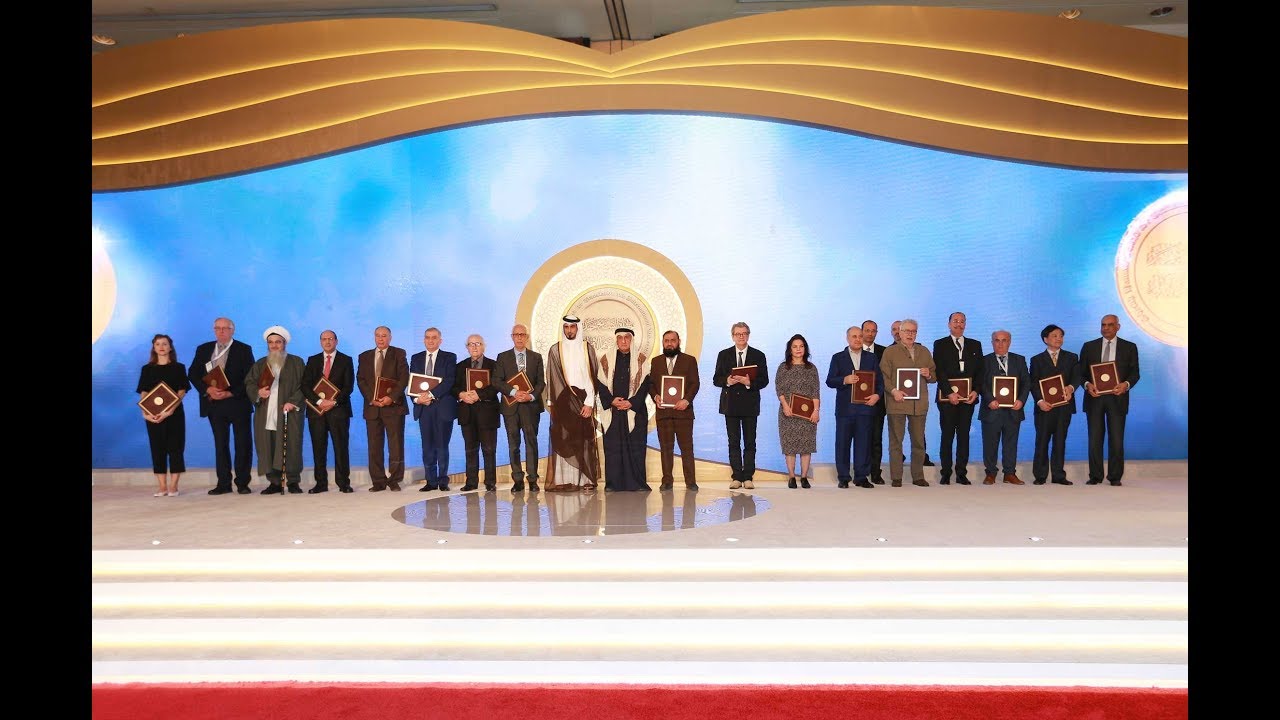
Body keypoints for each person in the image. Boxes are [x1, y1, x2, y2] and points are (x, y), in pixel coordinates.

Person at [188, 317, 256, 495]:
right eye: (218, 328)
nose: (221, 331)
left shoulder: (243, 349)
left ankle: (242, 483)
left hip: (238, 403)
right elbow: (193, 373)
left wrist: (230, 393)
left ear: (233, 330)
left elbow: (250, 377)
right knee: (220, 444)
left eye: (225, 328)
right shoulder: (203, 349)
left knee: (243, 444)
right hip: (214, 404)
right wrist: (207, 389)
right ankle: (223, 484)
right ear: (214, 330)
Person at [1080, 314, 1141, 486]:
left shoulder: (1129, 347)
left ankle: (1115, 477)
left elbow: (1135, 373)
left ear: (1118, 327)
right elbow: (1080, 372)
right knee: (1094, 439)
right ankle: (1095, 476)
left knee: (1116, 440)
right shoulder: (1089, 346)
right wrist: (1087, 385)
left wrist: (1125, 385)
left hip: (1118, 398)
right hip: (1094, 399)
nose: (1105, 328)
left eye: (1110, 325)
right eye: (1103, 325)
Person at [245, 326, 307, 494]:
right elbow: (249, 383)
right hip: (265, 412)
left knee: (291, 445)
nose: (274, 346)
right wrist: (258, 392)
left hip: (288, 412)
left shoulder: (297, 362)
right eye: (271, 342)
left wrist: (293, 402)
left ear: (284, 343)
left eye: (278, 342)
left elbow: (304, 385)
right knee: (267, 446)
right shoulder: (260, 364)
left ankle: (293, 481)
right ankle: (274, 482)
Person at [545, 315, 602, 491]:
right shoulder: (555, 349)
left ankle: (587, 479)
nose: (569, 330)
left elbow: (593, 378)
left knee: (584, 439)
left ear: (578, 328)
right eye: (566, 327)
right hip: (562, 402)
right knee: (564, 439)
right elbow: (551, 377)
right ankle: (565, 479)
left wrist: (589, 403)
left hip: (583, 400)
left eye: (572, 327)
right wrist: (552, 404)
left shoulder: (587, 348)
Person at [712, 322, 770, 490]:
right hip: (730, 405)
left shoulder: (758, 355)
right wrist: (727, 381)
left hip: (750, 405)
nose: (741, 336)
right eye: (738, 334)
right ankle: (737, 476)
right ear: (733, 336)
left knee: (750, 442)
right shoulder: (723, 355)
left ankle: (748, 477)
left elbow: (764, 380)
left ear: (748, 335)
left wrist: (748, 382)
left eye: (744, 333)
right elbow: (716, 379)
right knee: (733, 442)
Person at [879, 318, 936, 487]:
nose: (910, 334)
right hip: (897, 402)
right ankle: (896, 477)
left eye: (913, 331)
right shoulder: (890, 352)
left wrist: (928, 374)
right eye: (907, 331)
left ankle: (918, 476)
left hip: (919, 404)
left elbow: (934, 376)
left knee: (918, 442)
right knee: (896, 441)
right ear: (900, 333)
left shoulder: (924, 351)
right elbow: (883, 377)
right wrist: (893, 391)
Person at [826, 325, 883, 489]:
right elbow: (830, 381)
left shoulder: (871, 358)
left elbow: (880, 382)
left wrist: (877, 395)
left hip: (866, 408)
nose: (858, 339)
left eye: (860, 336)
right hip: (845, 410)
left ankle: (861, 477)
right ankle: (843, 477)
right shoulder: (838, 357)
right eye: (854, 336)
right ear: (847, 338)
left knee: (864, 444)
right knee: (842, 444)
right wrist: (844, 380)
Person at [597, 327, 653, 492]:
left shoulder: (641, 360)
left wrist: (632, 402)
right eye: (620, 338)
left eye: (626, 338)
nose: (623, 341)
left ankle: (637, 483)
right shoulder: (606, 360)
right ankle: (613, 484)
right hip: (613, 412)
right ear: (616, 340)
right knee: (613, 449)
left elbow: (645, 385)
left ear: (631, 340)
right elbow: (600, 384)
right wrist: (612, 400)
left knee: (636, 449)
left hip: (635, 411)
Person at [931, 311, 983, 485]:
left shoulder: (975, 345)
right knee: (947, 436)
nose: (958, 324)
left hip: (968, 399)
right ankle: (945, 473)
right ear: (949, 324)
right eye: (955, 321)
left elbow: (980, 372)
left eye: (962, 321)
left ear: (965, 324)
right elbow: (939, 370)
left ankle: (961, 473)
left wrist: (976, 391)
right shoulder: (940, 344)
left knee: (963, 436)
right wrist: (949, 392)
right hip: (947, 399)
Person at [136, 333, 191, 496]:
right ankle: (162, 487)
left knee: (176, 448)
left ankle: (173, 486)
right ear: (153, 348)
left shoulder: (179, 367)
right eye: (158, 344)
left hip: (174, 414)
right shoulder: (147, 369)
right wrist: (145, 412)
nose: (161, 347)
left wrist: (170, 410)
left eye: (165, 344)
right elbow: (144, 392)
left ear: (170, 347)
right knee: (157, 449)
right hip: (153, 416)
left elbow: (182, 391)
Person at [301, 329, 355, 493]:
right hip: (316, 412)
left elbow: (348, 386)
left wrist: (333, 402)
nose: (327, 341)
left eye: (330, 339)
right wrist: (319, 401)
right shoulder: (312, 360)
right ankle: (320, 484)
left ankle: (343, 483)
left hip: (339, 411)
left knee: (341, 448)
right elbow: (305, 385)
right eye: (324, 339)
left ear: (336, 341)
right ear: (320, 342)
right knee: (318, 448)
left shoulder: (346, 360)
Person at [357, 325, 409, 491]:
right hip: (372, 407)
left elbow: (404, 378)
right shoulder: (364, 356)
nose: (380, 338)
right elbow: (361, 380)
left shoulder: (399, 354)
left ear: (390, 338)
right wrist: (371, 398)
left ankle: (394, 480)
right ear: (374, 337)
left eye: (384, 335)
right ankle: (378, 481)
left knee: (396, 446)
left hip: (393, 407)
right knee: (374, 447)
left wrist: (390, 398)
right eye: (378, 335)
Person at [494, 324, 545, 493]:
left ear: (527, 337)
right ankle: (517, 480)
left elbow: (541, 382)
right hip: (511, 408)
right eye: (516, 334)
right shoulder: (502, 357)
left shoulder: (536, 357)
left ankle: (533, 479)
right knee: (513, 445)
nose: (520, 337)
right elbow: (496, 381)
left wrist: (530, 396)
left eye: (522, 334)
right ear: (512, 337)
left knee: (531, 443)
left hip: (530, 407)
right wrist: (514, 392)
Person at [1028, 324, 1081, 485]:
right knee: (1042, 441)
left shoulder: (1072, 357)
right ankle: (1040, 475)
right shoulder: (1036, 359)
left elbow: (1077, 377)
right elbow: (1033, 383)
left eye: (1061, 336)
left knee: (1060, 441)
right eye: (1055, 336)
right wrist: (1040, 401)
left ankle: (1058, 475)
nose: (1059, 339)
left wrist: (1071, 388)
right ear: (1045, 339)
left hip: (1064, 407)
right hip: (1044, 408)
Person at [977, 329, 1030, 485]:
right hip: (991, 409)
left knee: (1011, 444)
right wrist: (989, 399)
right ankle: (990, 473)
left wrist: (1021, 400)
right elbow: (981, 383)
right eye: (997, 340)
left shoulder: (1019, 360)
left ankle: (1010, 474)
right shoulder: (984, 361)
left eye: (1004, 340)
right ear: (992, 342)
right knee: (990, 444)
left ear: (1010, 342)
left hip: (1013, 410)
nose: (1000, 344)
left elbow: (1026, 382)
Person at [650, 329, 700, 491]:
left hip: (684, 413)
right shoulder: (656, 361)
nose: (669, 343)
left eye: (673, 340)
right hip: (663, 413)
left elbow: (695, 383)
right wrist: (655, 396)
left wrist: (686, 400)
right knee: (666, 449)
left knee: (687, 449)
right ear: (663, 343)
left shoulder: (689, 360)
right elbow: (651, 384)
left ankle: (691, 481)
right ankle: (667, 481)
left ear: (679, 342)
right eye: (666, 341)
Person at [410, 327, 458, 492]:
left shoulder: (449, 357)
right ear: (424, 340)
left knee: (442, 446)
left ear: (440, 340)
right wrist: (417, 399)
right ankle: (430, 481)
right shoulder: (416, 358)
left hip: (442, 407)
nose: (430, 340)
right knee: (427, 447)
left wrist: (430, 394)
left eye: (434, 337)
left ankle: (443, 481)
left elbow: (449, 381)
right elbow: (412, 383)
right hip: (424, 408)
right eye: (428, 337)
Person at [453, 334, 501, 491]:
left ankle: (490, 482)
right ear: (467, 347)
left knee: (489, 450)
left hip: (488, 414)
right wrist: (461, 394)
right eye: (471, 344)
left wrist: (478, 395)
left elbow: (496, 386)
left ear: (484, 346)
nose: (474, 347)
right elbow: (453, 387)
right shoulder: (460, 366)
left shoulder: (494, 365)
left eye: (478, 343)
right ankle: (471, 482)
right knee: (470, 450)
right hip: (467, 413)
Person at [776, 333, 821, 488]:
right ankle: (791, 477)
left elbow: (816, 391)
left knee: (806, 446)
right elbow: (779, 389)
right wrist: (785, 406)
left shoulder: (811, 368)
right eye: (795, 347)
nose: (798, 349)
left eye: (801, 346)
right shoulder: (783, 367)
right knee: (790, 447)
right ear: (790, 349)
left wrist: (816, 411)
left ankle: (804, 477)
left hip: (807, 414)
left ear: (805, 349)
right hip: (788, 413)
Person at [861, 319, 889, 485]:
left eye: (873, 331)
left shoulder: (884, 351)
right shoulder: (853, 350)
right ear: (862, 331)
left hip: (878, 403)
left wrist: (878, 395)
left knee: (876, 439)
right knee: (861, 439)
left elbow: (886, 377)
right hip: (857, 404)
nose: (870, 334)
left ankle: (876, 473)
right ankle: (861, 472)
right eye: (867, 330)